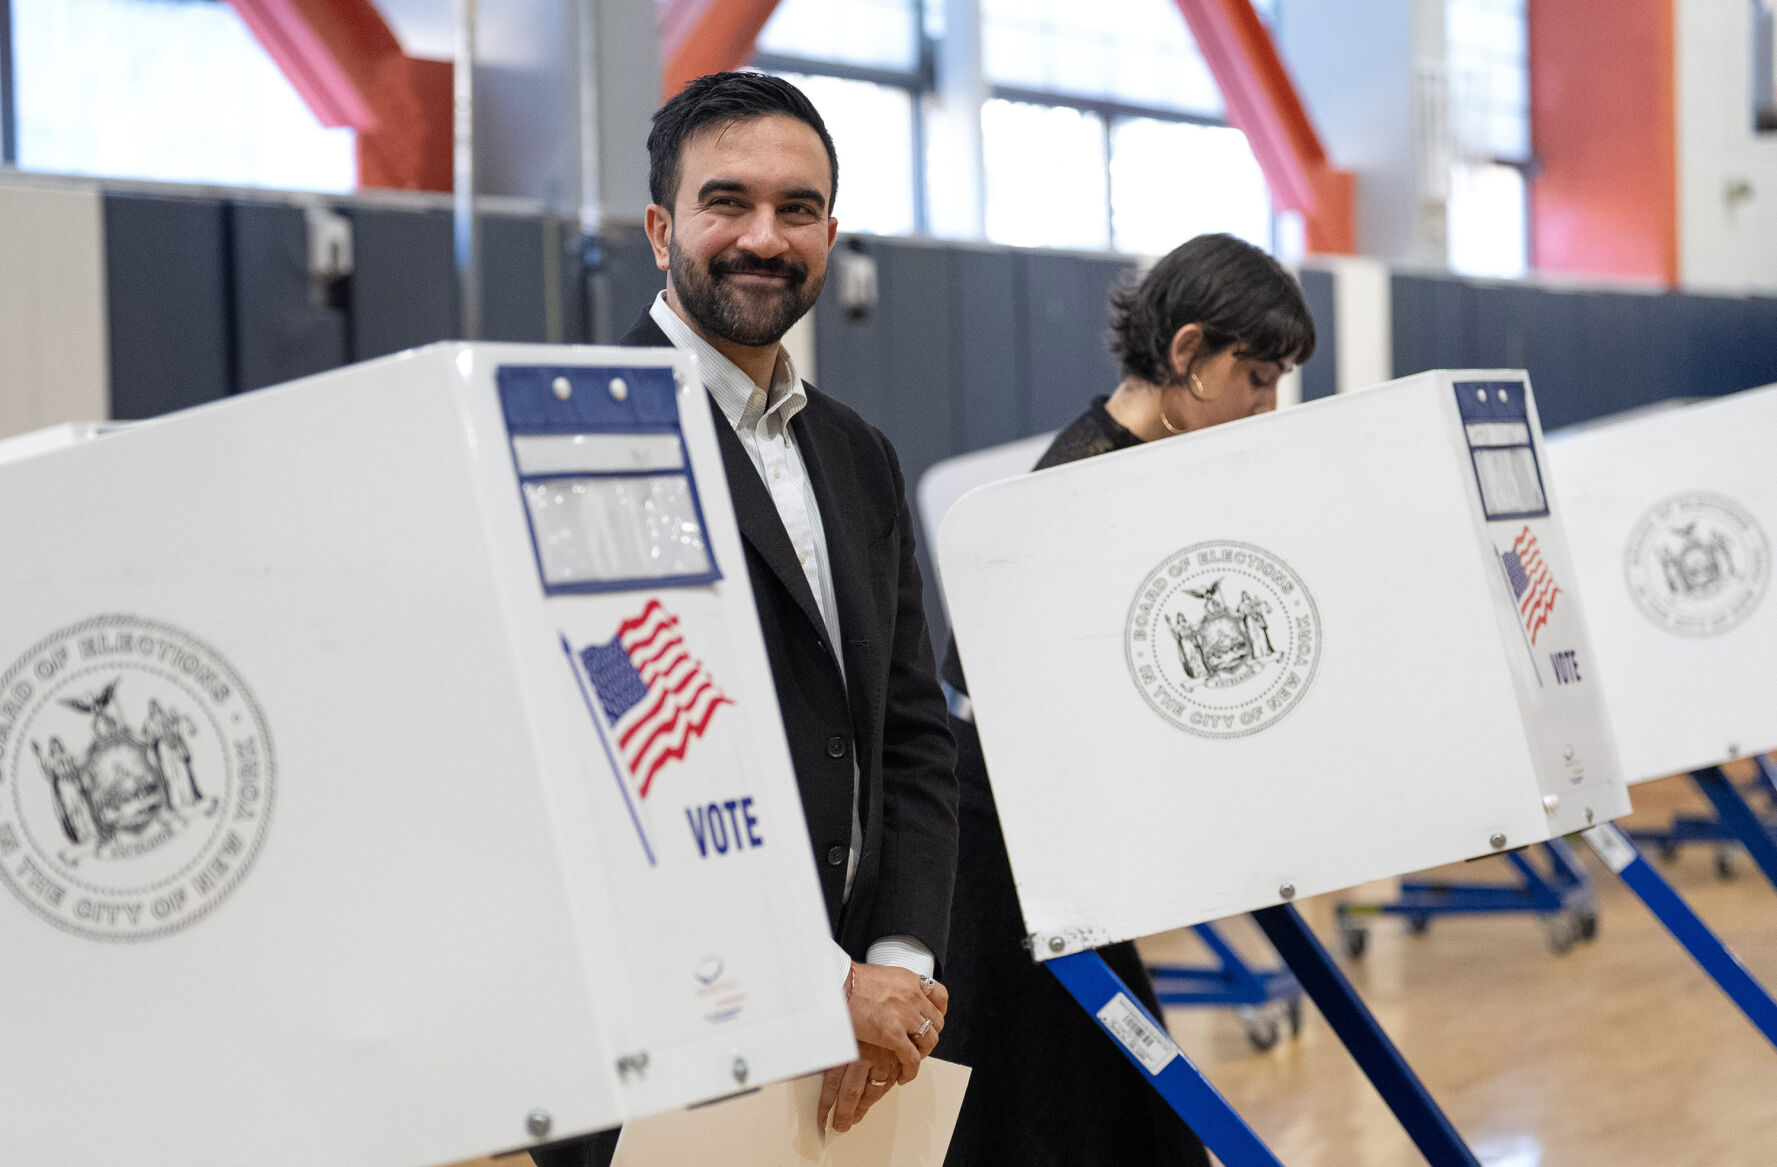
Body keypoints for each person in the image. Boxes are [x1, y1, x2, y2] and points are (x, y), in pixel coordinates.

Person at [530, 72, 960, 1167]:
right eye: (728, 203)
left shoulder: (856, 454)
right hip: (663, 1033)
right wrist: (822, 984)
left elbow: (910, 731)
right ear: (661, 227)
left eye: (798, 209)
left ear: (830, 232)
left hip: (854, 1050)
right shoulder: (576, 443)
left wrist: (899, 961)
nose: (763, 237)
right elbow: (613, 770)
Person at [938, 233, 1316, 1167]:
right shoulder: (1078, 484)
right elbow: (983, 680)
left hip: (1062, 859)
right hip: (1004, 861)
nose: (1266, 408)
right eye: (1256, 378)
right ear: (1186, 353)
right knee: (1064, 1122)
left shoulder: (1154, 471)